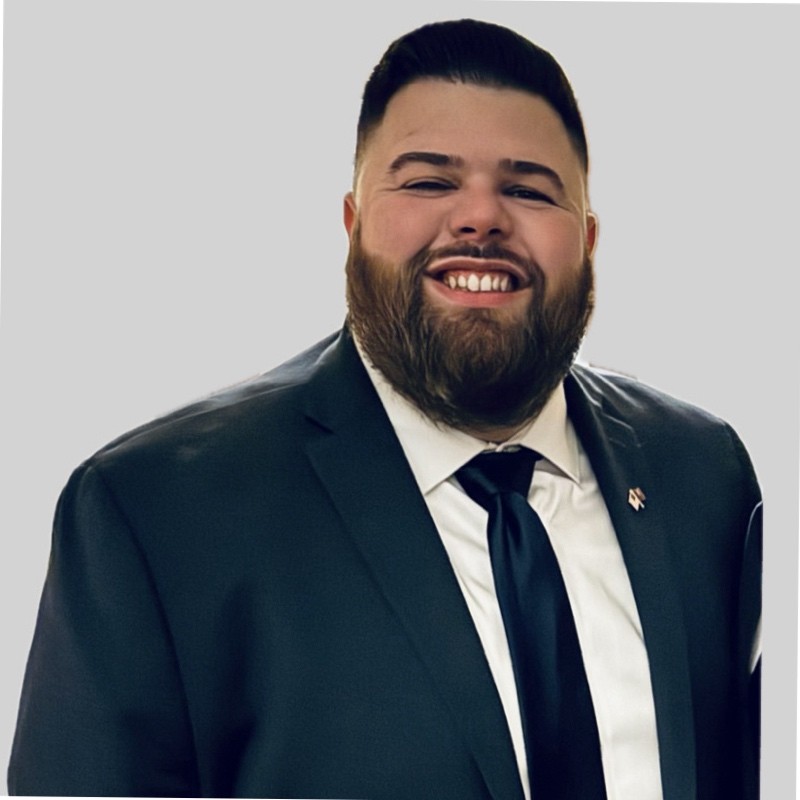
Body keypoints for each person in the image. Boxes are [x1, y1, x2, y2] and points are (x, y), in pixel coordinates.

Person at [8, 18, 761, 800]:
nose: (480, 218)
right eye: (429, 181)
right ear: (353, 222)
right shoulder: (156, 512)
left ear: (590, 240)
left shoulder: (707, 477)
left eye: (528, 189)